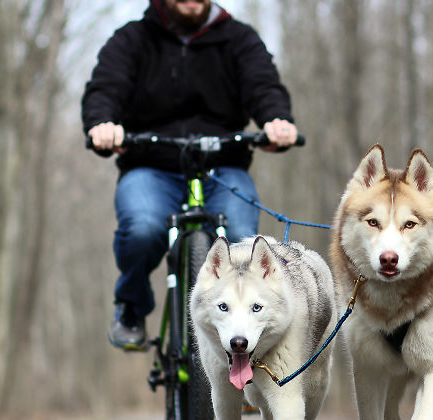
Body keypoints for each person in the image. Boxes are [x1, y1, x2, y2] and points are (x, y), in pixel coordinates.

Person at [82, 0, 298, 351]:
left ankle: (245, 349)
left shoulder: (238, 39)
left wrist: (276, 119)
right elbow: (106, 88)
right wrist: (102, 124)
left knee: (242, 241)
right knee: (143, 228)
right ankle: (132, 306)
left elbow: (263, 86)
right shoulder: (133, 39)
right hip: (150, 166)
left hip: (222, 168)